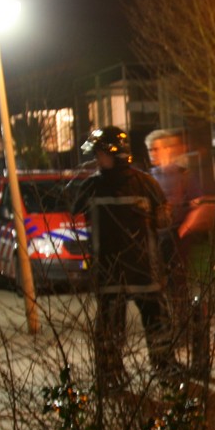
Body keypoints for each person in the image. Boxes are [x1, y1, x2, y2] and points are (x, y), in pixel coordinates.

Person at [72, 126, 177, 390]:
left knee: (146, 323)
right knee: (124, 327)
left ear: (115, 154)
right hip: (136, 272)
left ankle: (149, 369)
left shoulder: (93, 187)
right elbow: (164, 220)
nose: (97, 159)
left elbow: (163, 219)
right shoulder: (145, 184)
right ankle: (120, 373)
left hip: (125, 272)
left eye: (100, 154)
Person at [145, 129, 206, 318]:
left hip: (176, 237)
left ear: (167, 149)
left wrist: (182, 231)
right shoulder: (148, 178)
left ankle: (182, 319)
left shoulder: (183, 176)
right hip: (154, 238)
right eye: (149, 149)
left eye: (155, 149)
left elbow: (198, 204)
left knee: (177, 283)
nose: (152, 153)